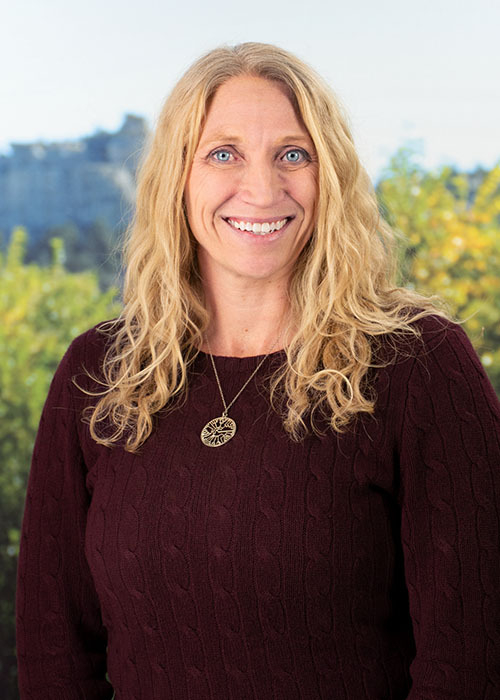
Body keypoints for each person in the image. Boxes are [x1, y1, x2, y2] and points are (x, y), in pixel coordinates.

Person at [16, 42, 500, 700]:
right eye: (224, 153)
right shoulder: (96, 373)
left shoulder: (420, 363)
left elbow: (469, 659)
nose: (263, 188)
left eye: (292, 154)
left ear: (329, 173)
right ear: (176, 178)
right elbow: (53, 650)